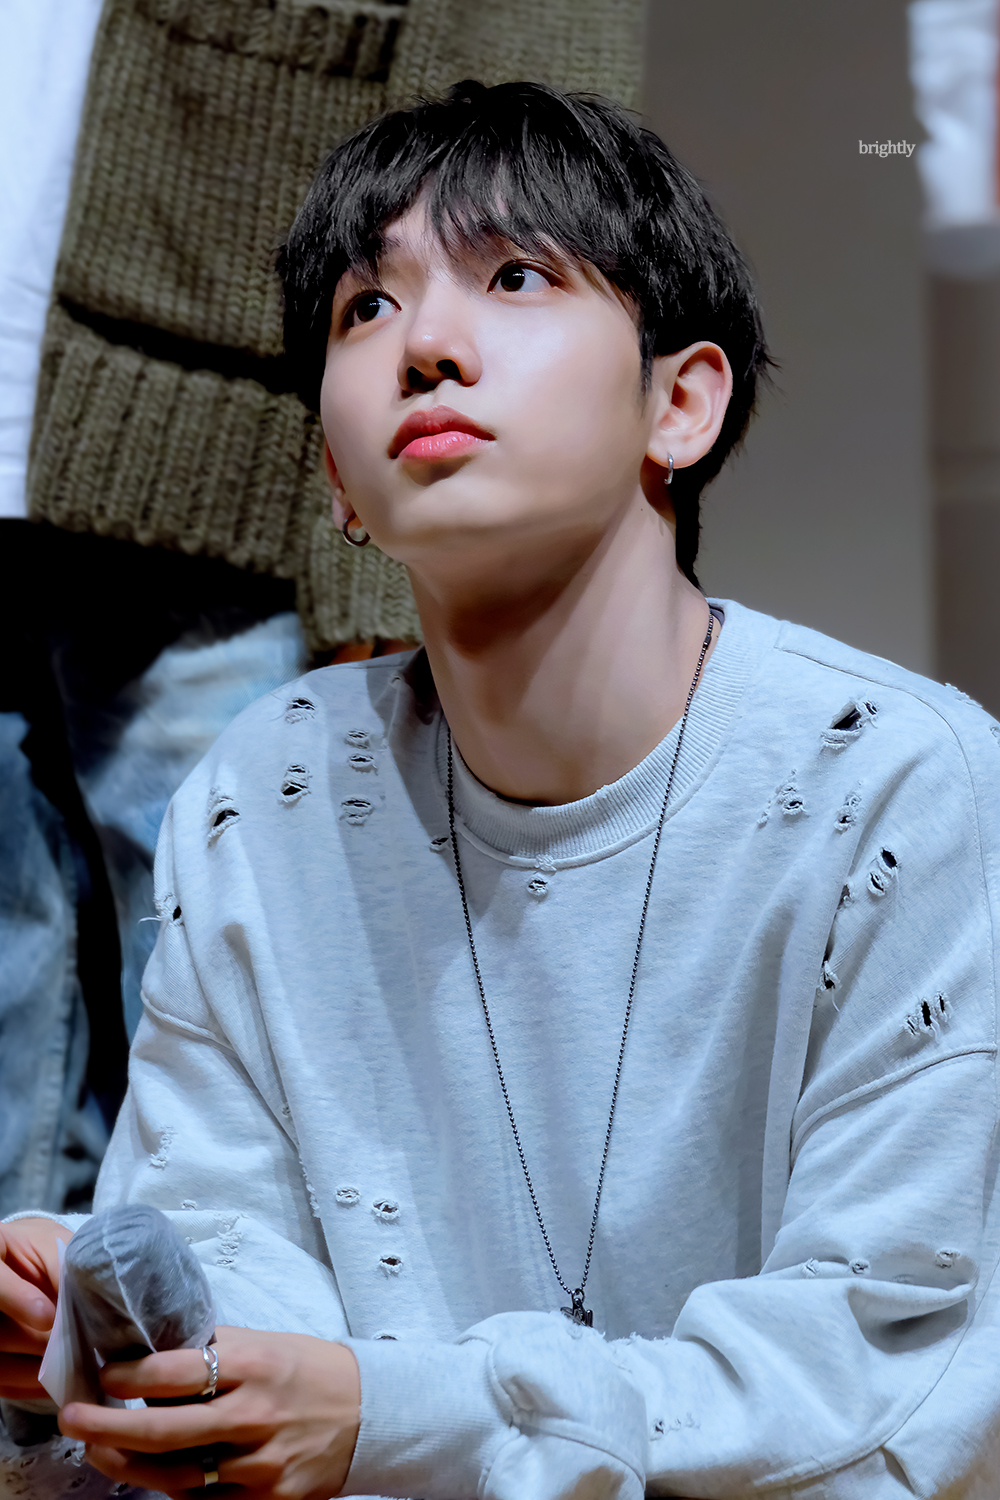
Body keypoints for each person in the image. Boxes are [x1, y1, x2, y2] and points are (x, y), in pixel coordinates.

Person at [2, 79, 1000, 1500]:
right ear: (336, 481)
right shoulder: (270, 797)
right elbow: (236, 1251)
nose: (426, 347)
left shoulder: (901, 791)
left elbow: (887, 1383)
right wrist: (124, 1318)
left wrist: (402, 1414)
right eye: (367, 306)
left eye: (515, 277)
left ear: (680, 404)